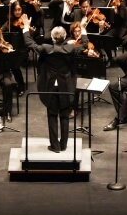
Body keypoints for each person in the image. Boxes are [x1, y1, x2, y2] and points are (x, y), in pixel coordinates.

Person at [23, 19, 85, 152]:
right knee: (64, 115)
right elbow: (84, 44)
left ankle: (55, 146)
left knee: (52, 115)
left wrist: (26, 27)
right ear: (64, 37)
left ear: (52, 37)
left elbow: (30, 43)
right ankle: (63, 144)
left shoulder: (46, 48)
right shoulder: (71, 48)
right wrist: (83, 30)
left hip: (50, 86)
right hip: (66, 86)